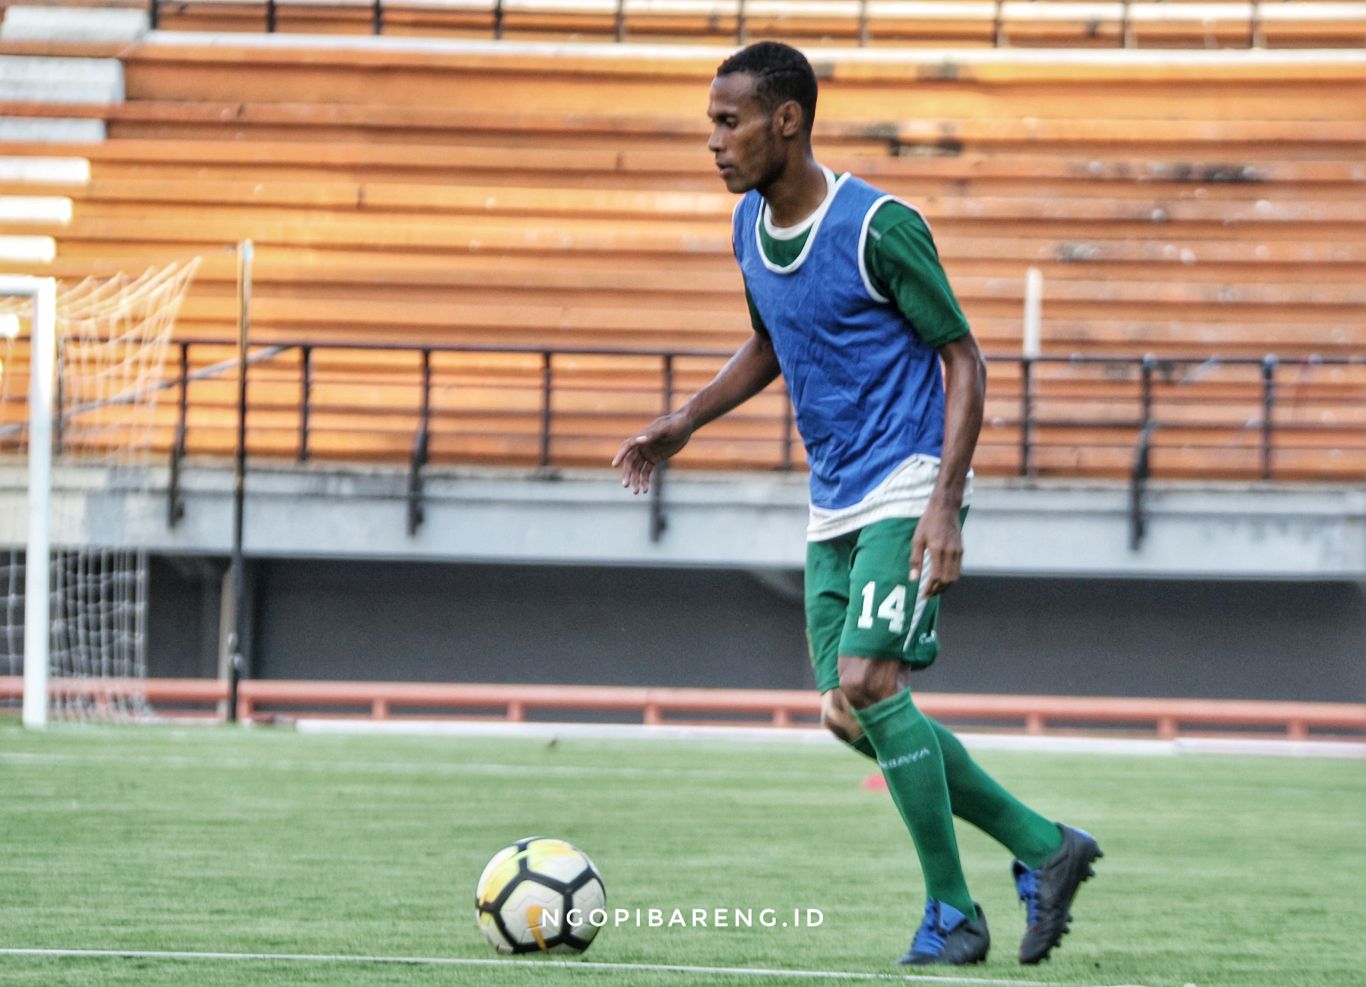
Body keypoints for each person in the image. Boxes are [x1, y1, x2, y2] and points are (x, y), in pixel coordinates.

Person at [613, 41, 1102, 967]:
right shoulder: (749, 229)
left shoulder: (880, 225)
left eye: (728, 122)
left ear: (785, 120)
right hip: (832, 497)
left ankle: (952, 913)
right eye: (710, 124)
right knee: (848, 710)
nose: (712, 142)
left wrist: (945, 504)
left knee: (873, 682)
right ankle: (1046, 846)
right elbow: (773, 338)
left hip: (910, 477)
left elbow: (965, 358)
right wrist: (684, 420)